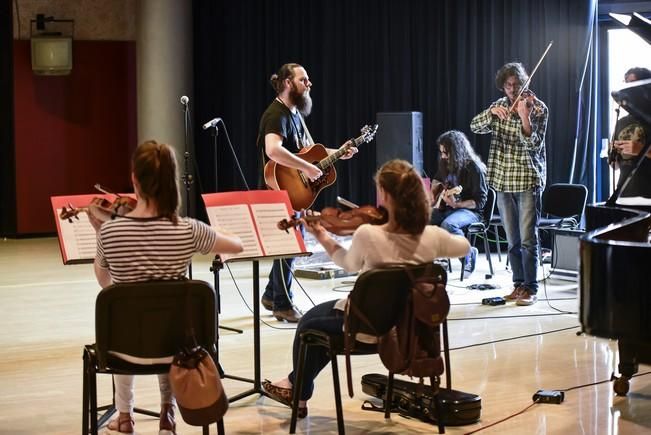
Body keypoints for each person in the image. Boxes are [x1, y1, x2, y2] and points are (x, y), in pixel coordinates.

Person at [261, 159, 470, 418]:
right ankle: (295, 386)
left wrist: (323, 236)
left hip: (365, 327)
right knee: (318, 327)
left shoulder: (369, 235)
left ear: (388, 197)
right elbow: (464, 247)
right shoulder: (432, 237)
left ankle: (299, 395)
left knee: (308, 324)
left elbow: (347, 263)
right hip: (405, 328)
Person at [92, 140, 243, 434]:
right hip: (178, 350)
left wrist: (101, 235)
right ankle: (167, 414)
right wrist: (213, 230)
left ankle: (125, 417)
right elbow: (236, 245)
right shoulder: (188, 228)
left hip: (122, 351)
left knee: (127, 320)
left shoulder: (109, 230)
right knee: (167, 324)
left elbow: (104, 283)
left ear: (134, 179)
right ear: (171, 181)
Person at [256, 63, 357, 322]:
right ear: (288, 83)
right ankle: (282, 303)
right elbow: (272, 150)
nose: (309, 83)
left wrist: (339, 152)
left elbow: (312, 152)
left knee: (291, 245)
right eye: (304, 79)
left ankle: (271, 294)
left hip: (293, 191)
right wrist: (306, 168)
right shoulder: (275, 114)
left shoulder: (295, 115)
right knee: (292, 243)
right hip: (277, 190)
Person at [470, 62, 548, 306]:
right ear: (503, 87)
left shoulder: (538, 108)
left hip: (527, 179)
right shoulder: (499, 106)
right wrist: (491, 114)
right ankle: (518, 285)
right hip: (502, 180)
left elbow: (534, 145)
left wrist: (524, 117)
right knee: (512, 239)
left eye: (517, 85)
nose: (513, 90)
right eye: (508, 85)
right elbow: (474, 126)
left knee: (528, 239)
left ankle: (531, 288)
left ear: (526, 83)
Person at [430, 130, 488, 275]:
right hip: (450, 208)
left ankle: (467, 254)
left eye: (446, 152)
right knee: (424, 218)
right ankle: (431, 260)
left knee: (449, 224)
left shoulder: (474, 168)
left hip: (471, 212)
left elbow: (480, 202)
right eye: (441, 152)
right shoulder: (446, 164)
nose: (443, 156)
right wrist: (435, 191)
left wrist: (457, 205)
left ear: (456, 151)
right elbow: (437, 180)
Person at [608, 67, 651, 197]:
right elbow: (614, 166)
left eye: (632, 83)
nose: (627, 89)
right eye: (625, 83)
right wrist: (612, 155)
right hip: (624, 194)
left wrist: (642, 150)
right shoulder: (621, 121)